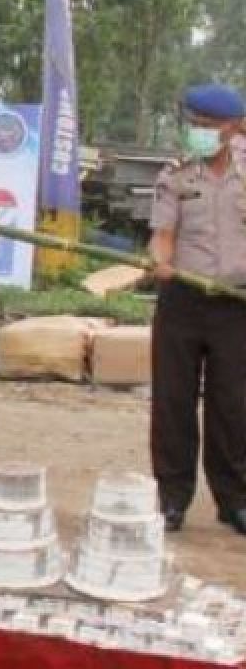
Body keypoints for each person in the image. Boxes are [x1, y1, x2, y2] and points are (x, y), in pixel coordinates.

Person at [148, 84, 246, 536]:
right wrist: (160, 260)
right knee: (173, 401)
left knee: (233, 404)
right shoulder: (176, 173)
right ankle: (171, 499)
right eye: (194, 125)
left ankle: (235, 501)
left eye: (208, 126)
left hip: (236, 304)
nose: (198, 133)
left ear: (235, 127)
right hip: (182, 300)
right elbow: (163, 232)